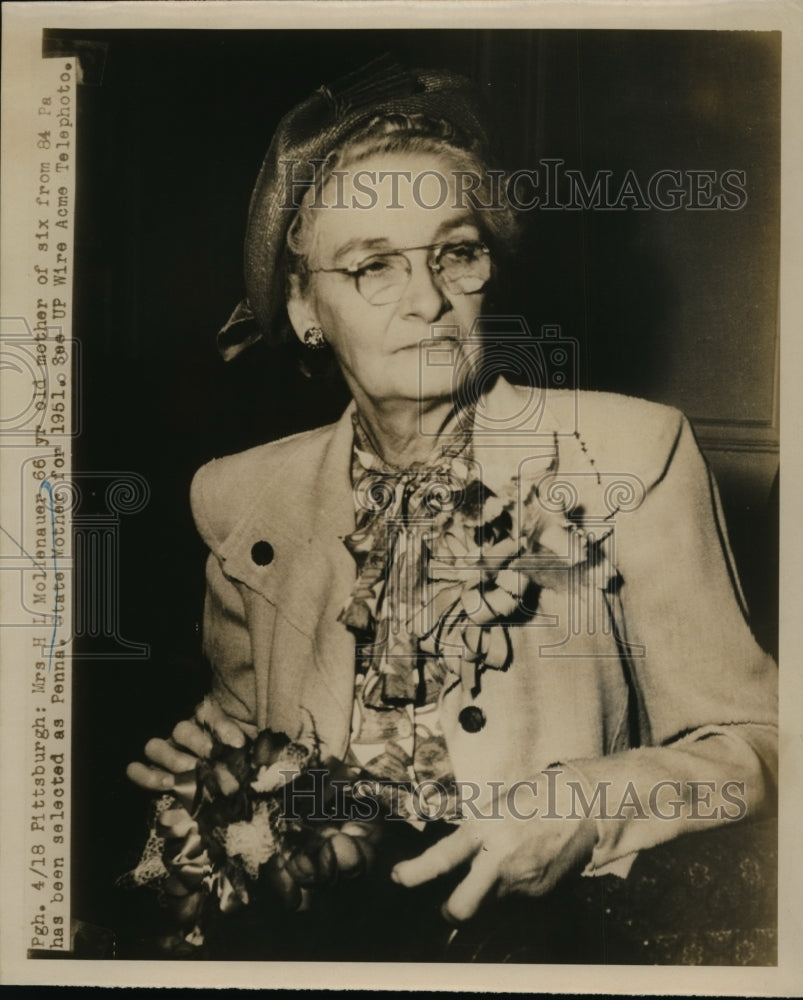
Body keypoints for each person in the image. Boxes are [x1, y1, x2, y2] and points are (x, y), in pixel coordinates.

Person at [126, 56, 777, 963]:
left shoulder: (633, 455)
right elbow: (256, 728)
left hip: (554, 950)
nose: (427, 302)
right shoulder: (237, 498)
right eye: (372, 268)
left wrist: (582, 808)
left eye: (454, 253)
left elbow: (762, 750)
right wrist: (219, 777)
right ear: (304, 307)